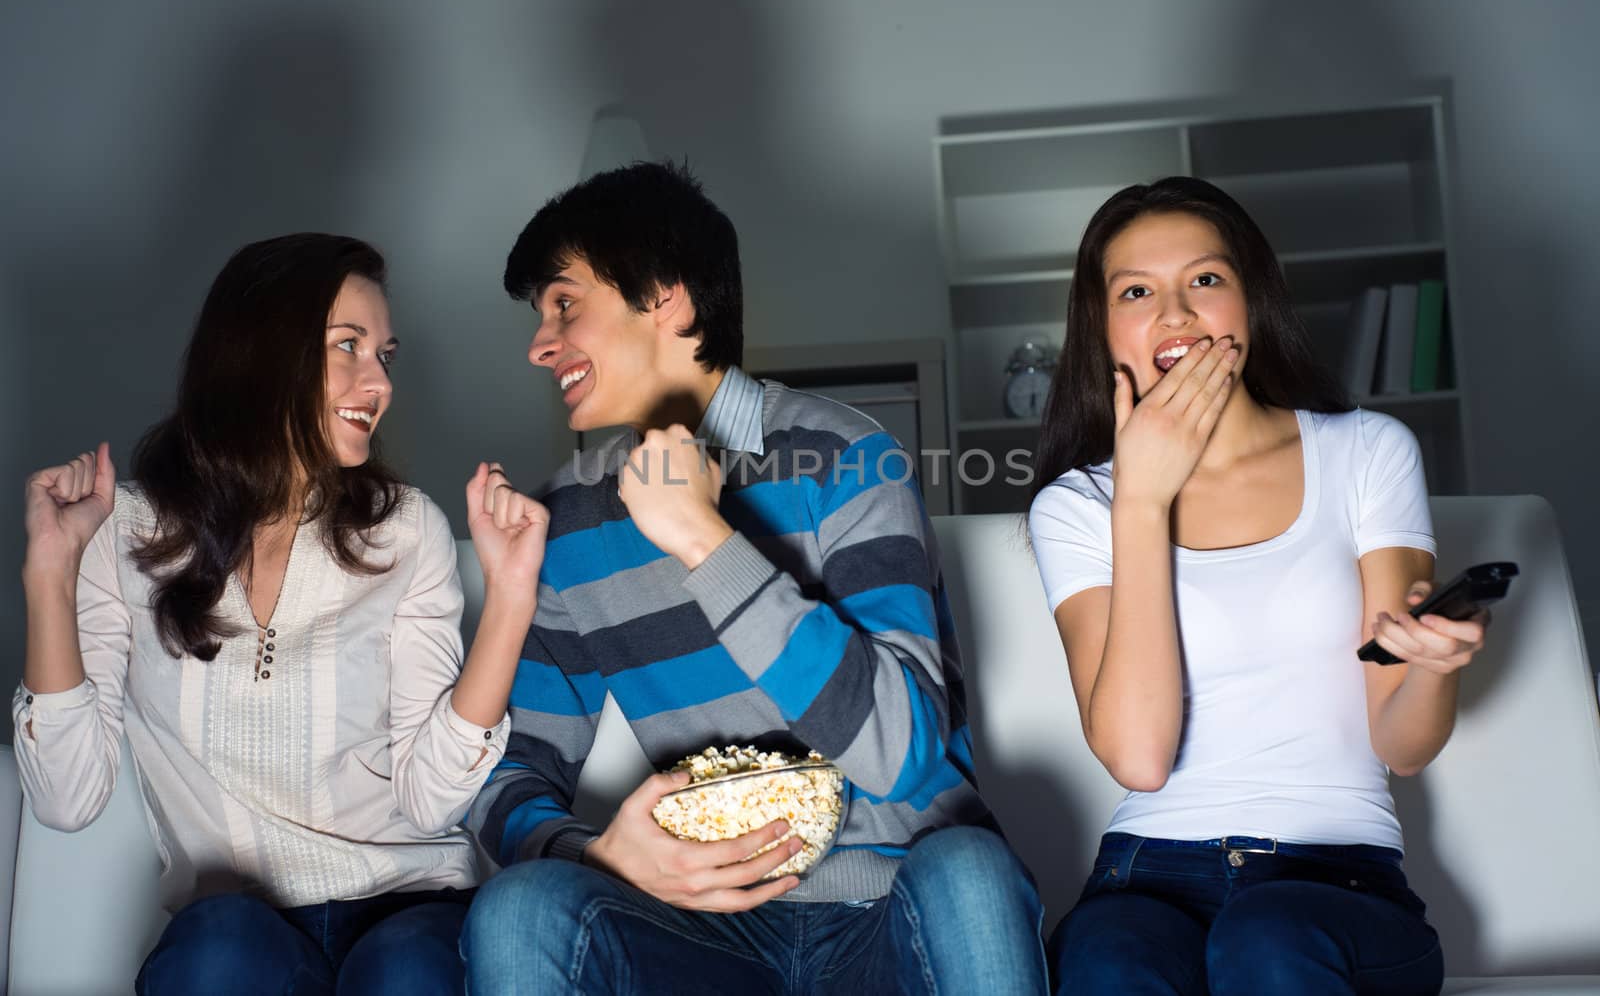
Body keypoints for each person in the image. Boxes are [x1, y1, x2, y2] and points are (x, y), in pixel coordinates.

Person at [461, 161, 1047, 994]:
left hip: (893, 904)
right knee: (520, 906)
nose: (539, 345)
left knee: (972, 872)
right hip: (702, 935)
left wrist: (706, 541)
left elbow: (906, 751)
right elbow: (510, 770)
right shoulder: (572, 519)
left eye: (565, 304)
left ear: (666, 296)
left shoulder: (845, 458)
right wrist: (593, 852)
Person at [15, 233, 549, 995]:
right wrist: (49, 570)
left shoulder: (406, 531)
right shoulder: (121, 536)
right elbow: (67, 798)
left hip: (410, 905)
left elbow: (431, 798)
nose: (381, 382)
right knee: (216, 952)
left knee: (408, 973)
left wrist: (512, 596)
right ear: (263, 356)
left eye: (384, 355)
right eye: (348, 347)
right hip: (236, 923)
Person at [1027, 176, 1487, 995]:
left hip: (1335, 883)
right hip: (1146, 875)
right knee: (1106, 959)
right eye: (1137, 291)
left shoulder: (1367, 453)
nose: (1175, 314)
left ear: (1251, 301)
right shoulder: (1077, 505)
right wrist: (1141, 500)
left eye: (1205, 280)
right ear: (1103, 329)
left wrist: (1433, 667)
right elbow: (1138, 756)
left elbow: (1401, 745)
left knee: (1266, 939)